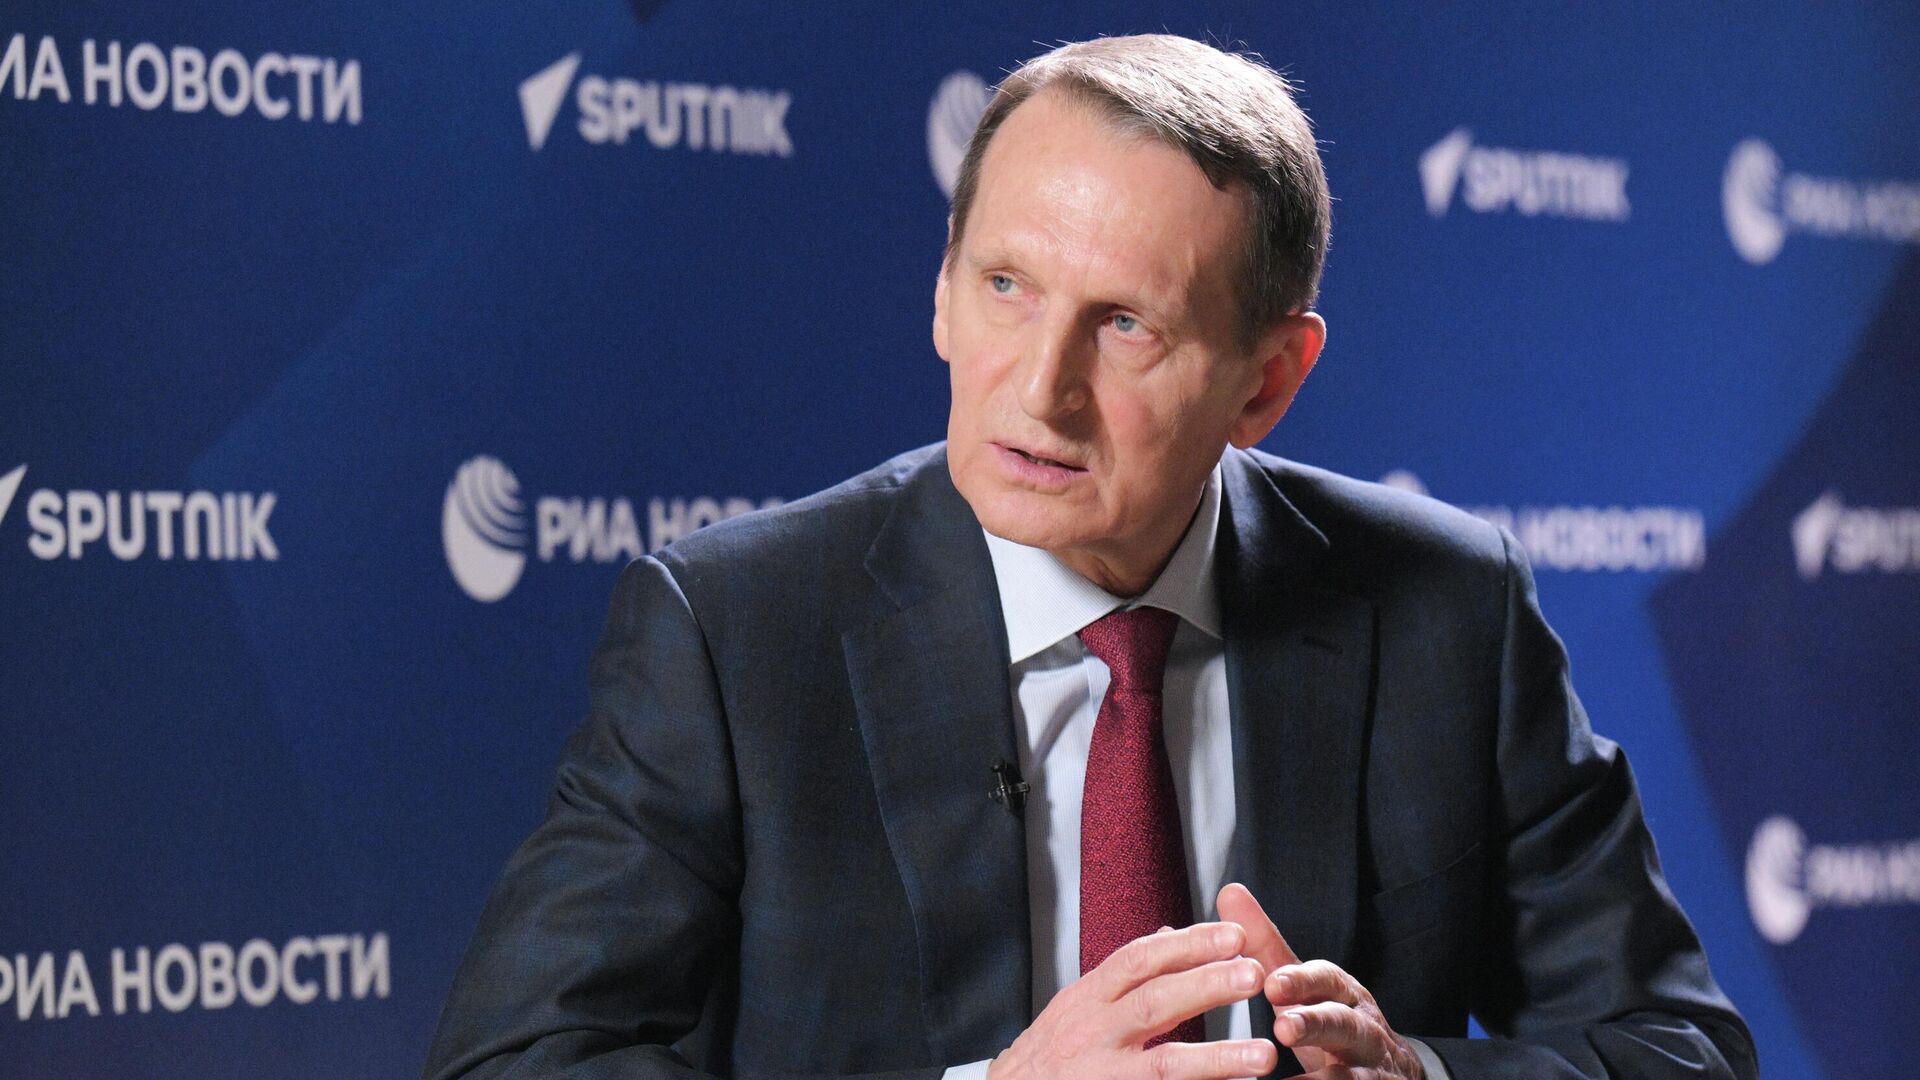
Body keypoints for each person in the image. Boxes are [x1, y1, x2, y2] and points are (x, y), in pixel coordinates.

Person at [424, 34, 1757, 1080]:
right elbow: (515, 1061)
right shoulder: (734, 631)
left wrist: (1415, 1073)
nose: (1039, 389)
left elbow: (1678, 1049)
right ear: (941, 291)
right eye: (1005, 286)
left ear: (1267, 382)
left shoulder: (1448, 610)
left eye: (1126, 325)